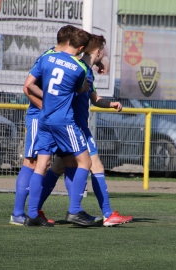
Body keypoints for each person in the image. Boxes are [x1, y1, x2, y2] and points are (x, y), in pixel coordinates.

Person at [38, 34, 133, 226]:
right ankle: (106, 214)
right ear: (97, 52)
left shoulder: (81, 69)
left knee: (58, 167)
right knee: (94, 165)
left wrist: (111, 103)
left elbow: (94, 98)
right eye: (102, 53)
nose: (102, 56)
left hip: (62, 124)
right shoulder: (81, 70)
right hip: (75, 126)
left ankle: (35, 210)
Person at [9, 25, 82, 226]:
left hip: (55, 119)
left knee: (64, 163)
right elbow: (27, 87)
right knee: (32, 162)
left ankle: (74, 209)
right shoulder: (49, 56)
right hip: (39, 116)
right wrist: (47, 107)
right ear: (69, 42)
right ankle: (18, 214)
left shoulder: (64, 59)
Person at [24, 27, 96, 227]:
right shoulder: (79, 67)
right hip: (64, 121)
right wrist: (83, 88)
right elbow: (80, 89)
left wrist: (48, 98)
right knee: (85, 163)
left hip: (44, 119)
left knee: (41, 165)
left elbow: (29, 85)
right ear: (81, 48)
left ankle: (32, 214)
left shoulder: (47, 58)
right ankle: (74, 211)